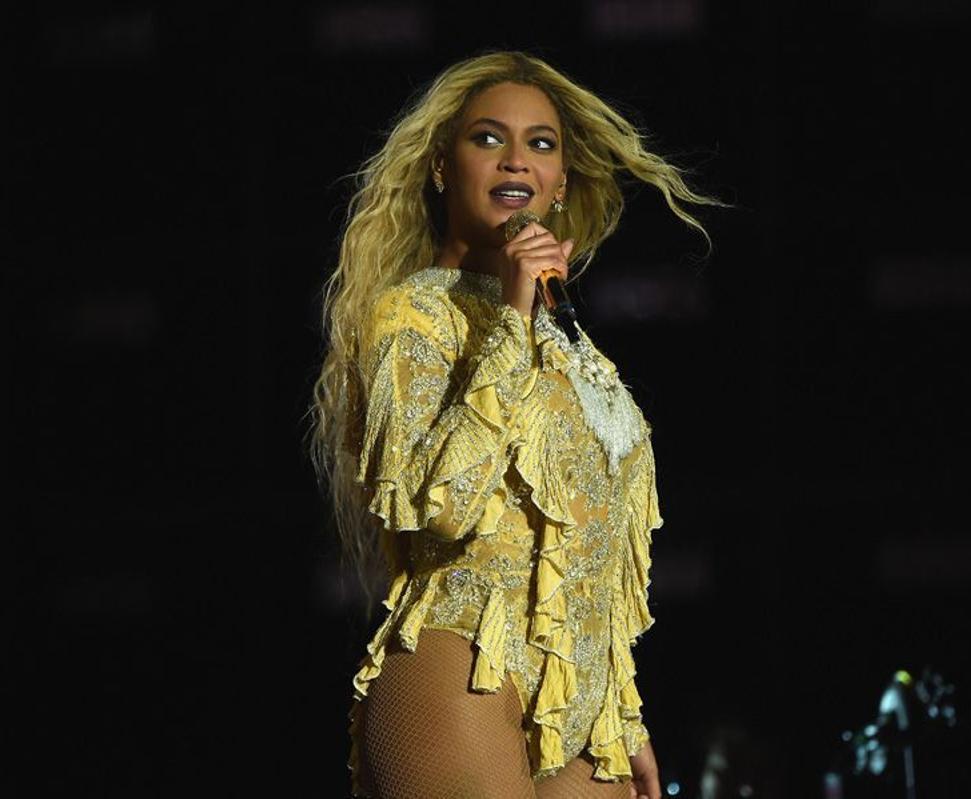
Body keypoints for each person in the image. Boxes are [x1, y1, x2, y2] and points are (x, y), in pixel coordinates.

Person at [307, 49, 728, 799]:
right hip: (461, 667)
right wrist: (510, 313)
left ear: (560, 183)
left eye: (540, 143)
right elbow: (440, 502)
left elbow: (591, 541)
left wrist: (620, 713)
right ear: (442, 168)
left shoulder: (568, 342)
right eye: (487, 137)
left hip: (575, 706)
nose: (515, 158)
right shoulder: (414, 316)